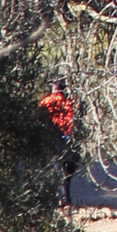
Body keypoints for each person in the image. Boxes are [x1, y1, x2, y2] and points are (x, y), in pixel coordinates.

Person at [40, 80, 79, 214]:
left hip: (53, 139)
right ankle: (66, 202)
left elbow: (40, 119)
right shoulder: (68, 102)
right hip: (67, 139)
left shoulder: (45, 101)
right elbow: (73, 120)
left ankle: (62, 202)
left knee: (58, 170)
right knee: (67, 172)